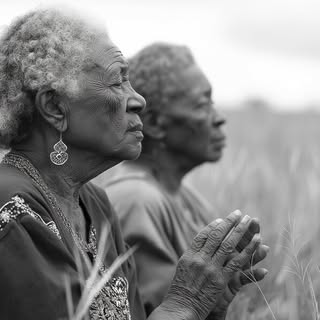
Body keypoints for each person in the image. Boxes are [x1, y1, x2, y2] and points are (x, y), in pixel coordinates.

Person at [0, 8, 268, 320]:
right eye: (116, 82)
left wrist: (208, 307)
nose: (138, 99)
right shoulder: (12, 207)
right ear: (55, 106)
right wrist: (184, 303)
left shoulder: (95, 205)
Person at [104, 43, 269, 315]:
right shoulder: (137, 200)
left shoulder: (183, 196)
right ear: (155, 123)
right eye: (203, 104)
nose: (219, 119)